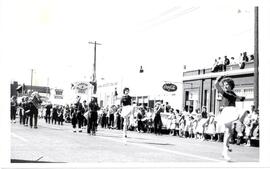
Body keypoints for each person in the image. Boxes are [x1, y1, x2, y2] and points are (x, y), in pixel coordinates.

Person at [215, 75, 248, 161]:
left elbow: (238, 98)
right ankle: (225, 152)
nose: (225, 86)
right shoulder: (224, 93)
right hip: (227, 112)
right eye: (224, 84)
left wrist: (242, 98)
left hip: (233, 111)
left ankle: (239, 125)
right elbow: (216, 84)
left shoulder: (232, 93)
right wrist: (220, 78)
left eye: (227, 84)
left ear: (231, 85)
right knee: (228, 132)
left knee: (245, 111)